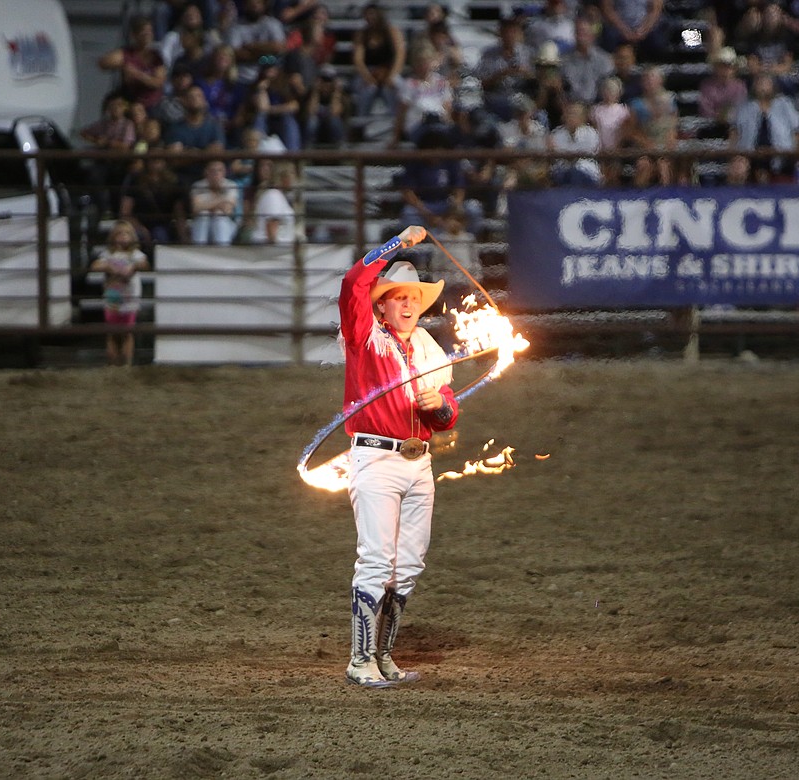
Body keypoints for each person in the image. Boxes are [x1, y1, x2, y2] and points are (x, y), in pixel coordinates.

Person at [338, 224, 459, 687]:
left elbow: (448, 416)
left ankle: (382, 656)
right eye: (398, 297)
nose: (408, 305)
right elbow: (353, 284)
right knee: (376, 558)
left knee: (407, 562)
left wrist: (442, 406)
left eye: (414, 298)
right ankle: (359, 660)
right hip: (377, 460)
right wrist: (396, 244)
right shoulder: (365, 338)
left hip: (418, 462)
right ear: (382, 304)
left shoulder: (427, 350)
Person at [89, 220, 151, 367]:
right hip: (112, 299)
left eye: (127, 234)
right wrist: (109, 267)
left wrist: (133, 267)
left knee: (128, 333)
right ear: (113, 237)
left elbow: (145, 264)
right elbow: (95, 266)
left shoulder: (135, 255)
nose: (123, 237)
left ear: (132, 237)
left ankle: (126, 365)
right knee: (112, 333)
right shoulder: (108, 255)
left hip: (130, 299)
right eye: (119, 233)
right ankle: (113, 364)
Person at [98, 15, 168, 112]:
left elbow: (157, 82)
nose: (147, 34)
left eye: (149, 31)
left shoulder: (156, 56)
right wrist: (123, 65)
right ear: (135, 34)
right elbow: (103, 63)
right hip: (131, 102)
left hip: (152, 105)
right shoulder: (127, 53)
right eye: (143, 31)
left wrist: (137, 74)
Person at [351, 2, 406, 117]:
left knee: (396, 87)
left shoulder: (392, 32)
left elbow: (400, 56)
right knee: (367, 90)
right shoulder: (362, 34)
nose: (370, 18)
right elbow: (358, 60)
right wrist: (368, 77)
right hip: (368, 72)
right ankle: (361, 123)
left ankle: (397, 122)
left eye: (373, 14)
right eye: (367, 15)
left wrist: (391, 76)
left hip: (390, 70)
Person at [189, 159, 239, 245]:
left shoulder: (231, 185)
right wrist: (220, 200)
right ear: (206, 172)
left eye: (219, 170)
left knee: (219, 214)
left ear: (224, 172)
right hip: (203, 225)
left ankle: (222, 250)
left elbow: (227, 210)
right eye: (212, 170)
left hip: (225, 225)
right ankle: (199, 249)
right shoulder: (198, 186)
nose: (216, 173)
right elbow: (196, 208)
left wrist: (207, 204)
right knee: (203, 214)